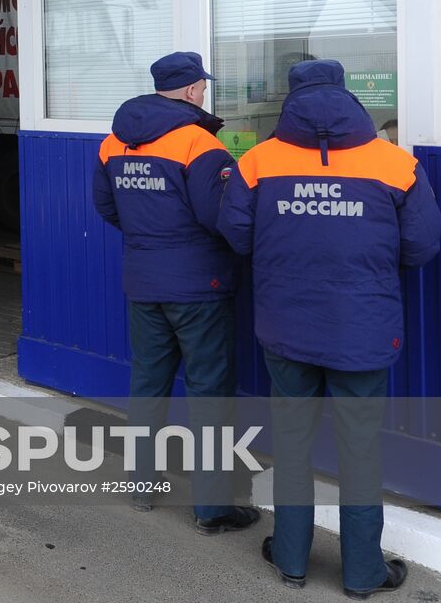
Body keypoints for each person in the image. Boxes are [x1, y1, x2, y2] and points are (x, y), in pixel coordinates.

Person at [218, 60, 441, 599]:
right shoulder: (393, 162)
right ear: (346, 96)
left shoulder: (259, 160)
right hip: (362, 330)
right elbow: (421, 245)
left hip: (286, 327)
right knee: (360, 450)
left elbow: (236, 234)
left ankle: (291, 559)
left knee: (293, 444)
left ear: (290, 100)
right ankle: (363, 574)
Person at [93, 51, 258, 533]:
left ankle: (141, 488)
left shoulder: (113, 142)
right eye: (202, 86)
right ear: (189, 90)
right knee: (209, 392)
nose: (204, 92)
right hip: (197, 286)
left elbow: (106, 206)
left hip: (143, 280)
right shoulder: (198, 144)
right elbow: (219, 217)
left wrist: (150, 238)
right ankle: (212, 508)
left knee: (147, 382)